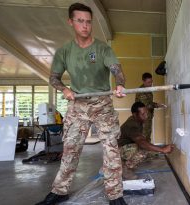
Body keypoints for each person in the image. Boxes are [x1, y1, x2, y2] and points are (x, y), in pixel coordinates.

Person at [36, 3, 127, 205]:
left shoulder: (102, 49)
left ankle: (115, 195)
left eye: (88, 22)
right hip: (77, 104)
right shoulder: (65, 51)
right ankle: (60, 191)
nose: (85, 26)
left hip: (102, 103)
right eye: (80, 21)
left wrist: (120, 85)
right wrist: (64, 89)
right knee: (70, 149)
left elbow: (117, 71)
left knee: (111, 148)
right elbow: (54, 78)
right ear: (71, 22)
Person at [118, 102, 173, 179]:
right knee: (144, 149)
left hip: (127, 146)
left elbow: (149, 106)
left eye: (146, 113)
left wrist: (157, 105)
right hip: (118, 150)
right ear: (135, 114)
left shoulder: (137, 119)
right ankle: (126, 168)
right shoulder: (132, 125)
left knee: (152, 152)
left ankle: (122, 161)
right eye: (143, 114)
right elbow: (142, 143)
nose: (146, 116)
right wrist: (163, 149)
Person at [135, 72, 166, 142]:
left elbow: (149, 103)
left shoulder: (147, 90)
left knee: (147, 135)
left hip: (147, 116)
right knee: (143, 136)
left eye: (151, 82)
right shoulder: (141, 91)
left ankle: (147, 151)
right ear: (143, 81)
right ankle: (143, 152)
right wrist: (157, 105)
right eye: (148, 82)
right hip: (142, 118)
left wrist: (157, 105)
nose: (150, 84)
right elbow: (146, 105)